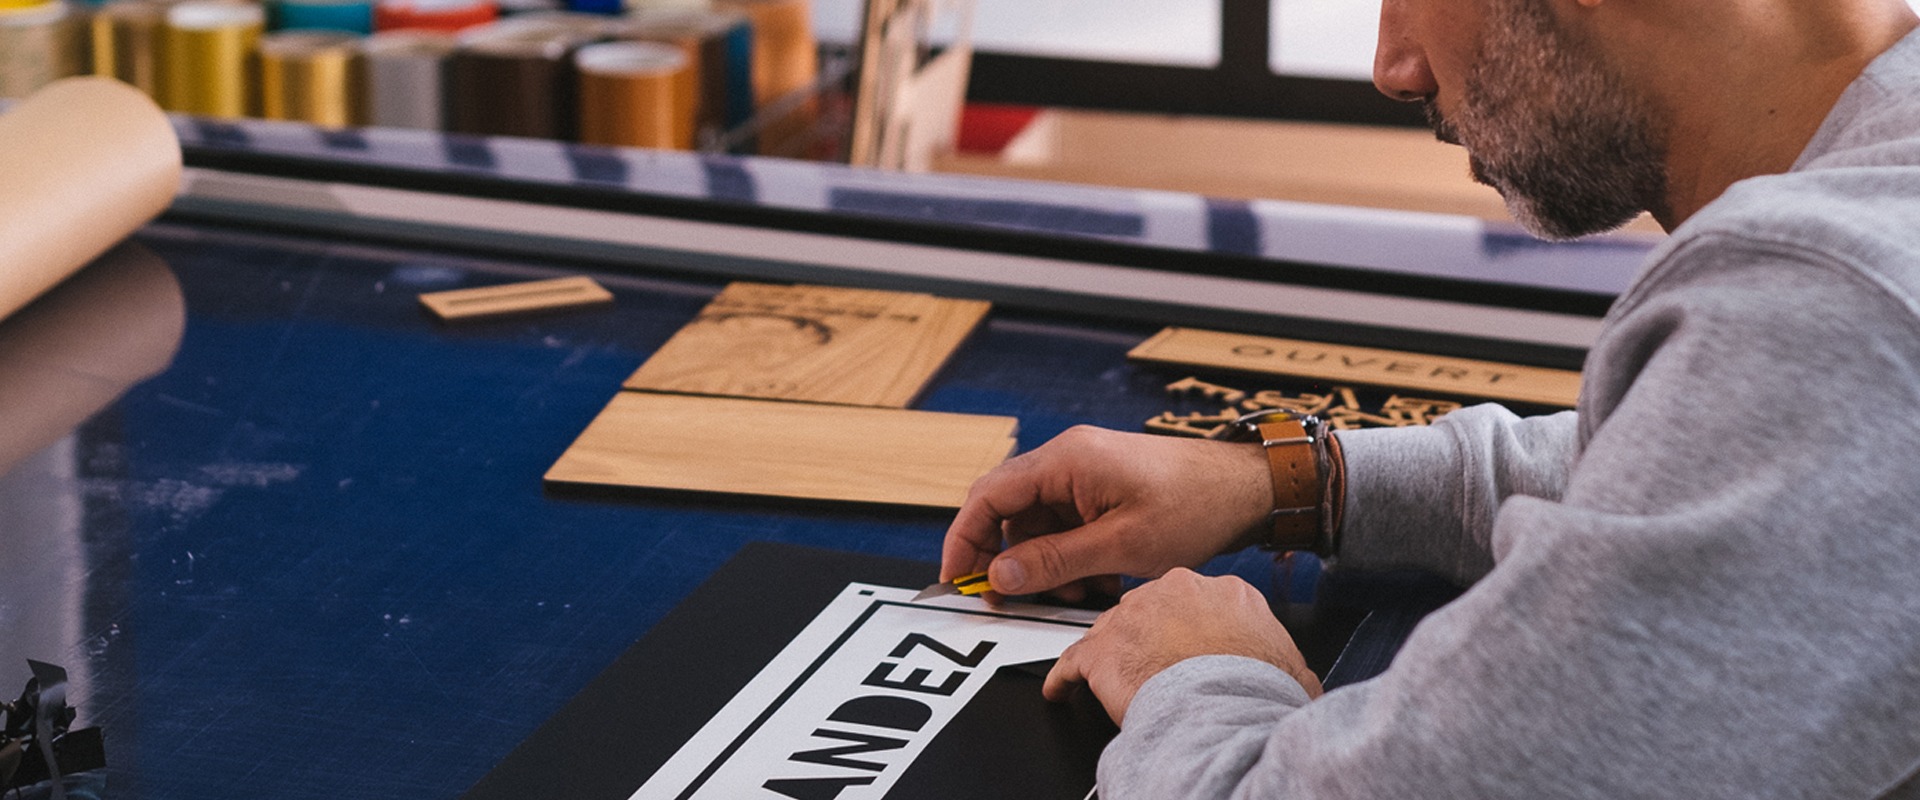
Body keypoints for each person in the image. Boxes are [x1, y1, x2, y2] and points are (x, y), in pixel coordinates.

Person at [938, 0, 1920, 796]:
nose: (1394, 63)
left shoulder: (1827, 305)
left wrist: (1193, 670)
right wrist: (1297, 481)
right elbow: (1703, 460)